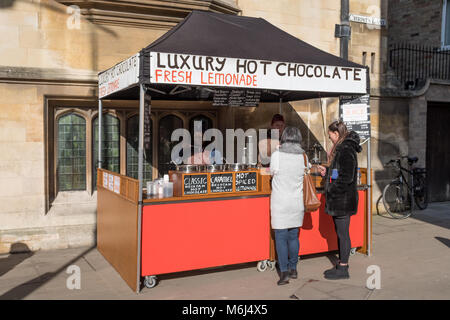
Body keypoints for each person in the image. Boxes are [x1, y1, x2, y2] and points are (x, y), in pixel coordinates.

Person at [317, 120, 362, 280]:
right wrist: (328, 171)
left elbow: (347, 177)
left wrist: (332, 190)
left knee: (343, 234)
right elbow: (340, 171)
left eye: (331, 137)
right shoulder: (344, 148)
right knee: (341, 232)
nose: (330, 139)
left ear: (337, 134)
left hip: (342, 199)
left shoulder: (345, 149)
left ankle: (343, 268)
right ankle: (342, 263)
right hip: (342, 199)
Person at [270, 126, 308, 285]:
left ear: (284, 137)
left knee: (280, 237)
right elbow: (308, 170)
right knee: (293, 236)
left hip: (280, 202)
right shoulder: (303, 156)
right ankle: (294, 268)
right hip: (296, 202)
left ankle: (284, 272)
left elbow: (272, 172)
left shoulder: (277, 155)